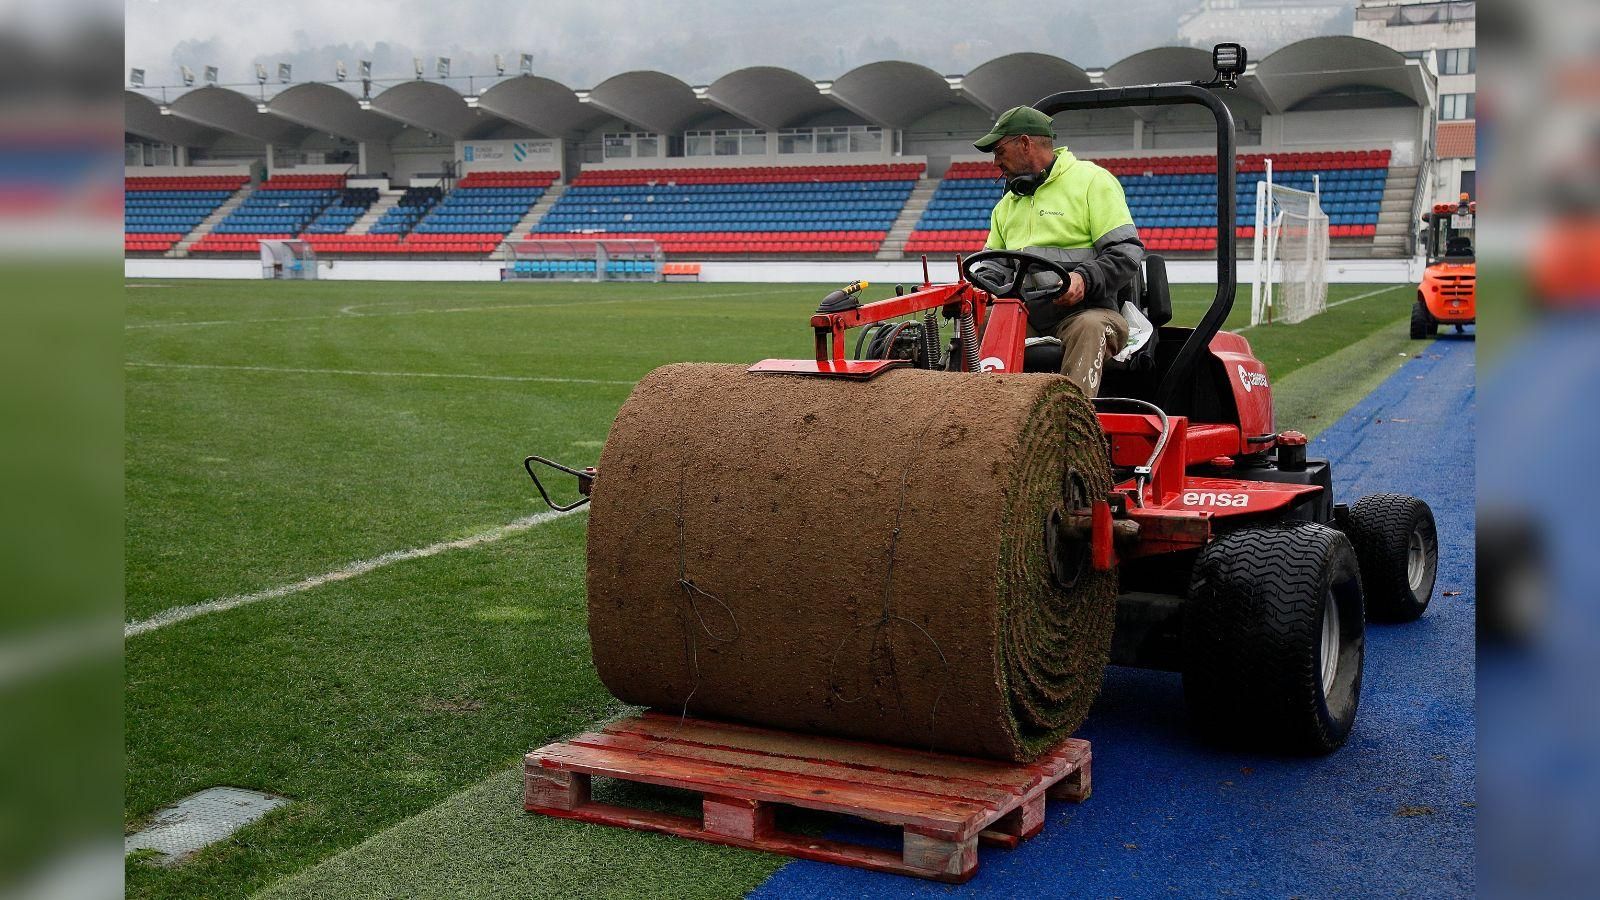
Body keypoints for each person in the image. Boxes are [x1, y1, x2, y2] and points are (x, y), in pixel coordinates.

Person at [974, 106, 1146, 397]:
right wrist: (982, 288)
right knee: (982, 321)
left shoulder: (1092, 182)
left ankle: (1071, 426)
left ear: (1025, 144)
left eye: (999, 151)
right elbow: (993, 266)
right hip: (1026, 315)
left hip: (1088, 310)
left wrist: (1083, 279)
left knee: (1089, 327)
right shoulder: (1006, 206)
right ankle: (987, 417)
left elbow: (1126, 252)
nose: (995, 162)